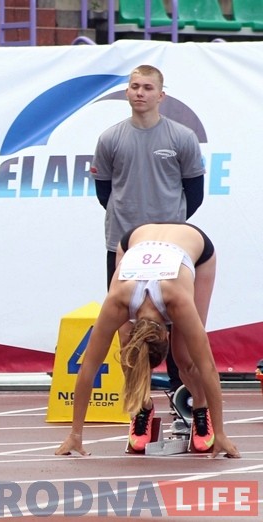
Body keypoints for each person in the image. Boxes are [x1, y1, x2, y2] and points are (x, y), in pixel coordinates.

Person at [55, 223, 239, 458]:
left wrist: (221, 433)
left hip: (194, 245)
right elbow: (89, 367)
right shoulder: (118, 301)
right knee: (127, 349)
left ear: (166, 334)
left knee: (185, 358)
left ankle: (200, 407)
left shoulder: (178, 302)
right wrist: (74, 435)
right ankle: (142, 407)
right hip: (134, 239)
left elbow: (208, 368)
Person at [90, 64, 206, 410]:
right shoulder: (110, 138)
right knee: (128, 325)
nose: (140, 93)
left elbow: (194, 192)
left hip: (171, 250)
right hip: (122, 246)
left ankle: (180, 394)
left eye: (147, 88)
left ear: (161, 95)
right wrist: (130, 230)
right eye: (134, 86)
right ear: (127, 92)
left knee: (176, 323)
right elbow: (104, 192)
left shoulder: (182, 137)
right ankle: (139, 403)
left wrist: (170, 228)